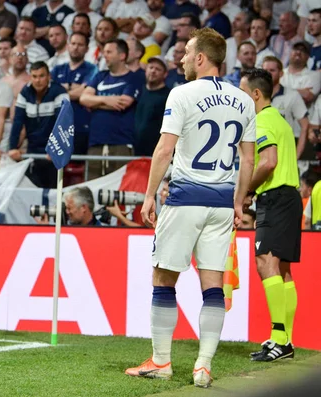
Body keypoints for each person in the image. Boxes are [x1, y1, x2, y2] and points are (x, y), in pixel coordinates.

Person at [126, 28, 256, 387]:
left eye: (185, 53)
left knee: (163, 277)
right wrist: (239, 202)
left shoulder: (181, 94)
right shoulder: (244, 100)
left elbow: (165, 149)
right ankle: (203, 365)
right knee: (213, 283)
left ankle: (162, 362)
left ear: (201, 58)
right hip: (221, 203)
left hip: (185, 198)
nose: (180, 59)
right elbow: (248, 159)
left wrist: (149, 194)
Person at [239, 68, 301, 362]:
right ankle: (284, 339)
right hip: (289, 197)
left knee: (265, 263)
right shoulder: (280, 121)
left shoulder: (261, 121)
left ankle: (279, 337)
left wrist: (246, 191)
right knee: (284, 269)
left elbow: (268, 162)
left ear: (255, 94)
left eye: (242, 92)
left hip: (275, 198)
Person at [79, 39, 141, 180]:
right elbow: (83, 98)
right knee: (92, 188)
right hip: (96, 142)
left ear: (122, 56)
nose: (104, 55)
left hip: (121, 144)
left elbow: (123, 103)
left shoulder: (133, 78)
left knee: (119, 189)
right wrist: (107, 100)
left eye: (109, 52)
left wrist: (94, 102)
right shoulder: (100, 76)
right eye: (104, 52)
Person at [8, 61, 69, 188]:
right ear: (30, 77)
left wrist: (55, 148)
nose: (38, 80)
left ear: (49, 77)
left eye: (41, 76)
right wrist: (12, 147)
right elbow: (18, 121)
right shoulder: (25, 92)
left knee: (53, 193)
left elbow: (63, 123)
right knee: (33, 191)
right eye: (34, 76)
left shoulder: (59, 92)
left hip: (53, 151)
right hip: (33, 150)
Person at [36, 186, 101, 226]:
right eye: (66, 208)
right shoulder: (68, 230)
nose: (67, 212)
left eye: (69, 208)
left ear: (83, 208)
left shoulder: (101, 233)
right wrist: (45, 230)